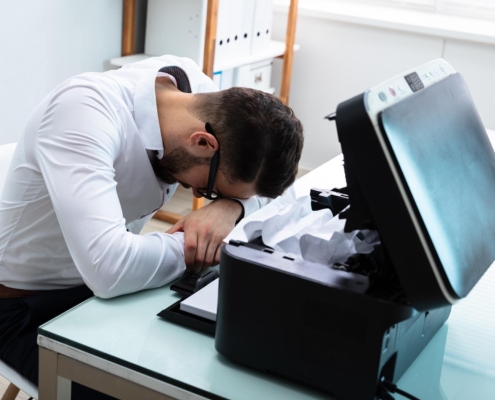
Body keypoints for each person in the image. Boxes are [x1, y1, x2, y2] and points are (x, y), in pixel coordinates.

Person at [0, 55, 303, 398]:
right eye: (211, 189)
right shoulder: (83, 111)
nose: (203, 196)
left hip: (107, 294)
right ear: (203, 142)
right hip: (24, 305)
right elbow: (110, 268)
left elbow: (286, 195)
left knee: (222, 363)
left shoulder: (197, 97)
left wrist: (232, 208)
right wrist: (199, 243)